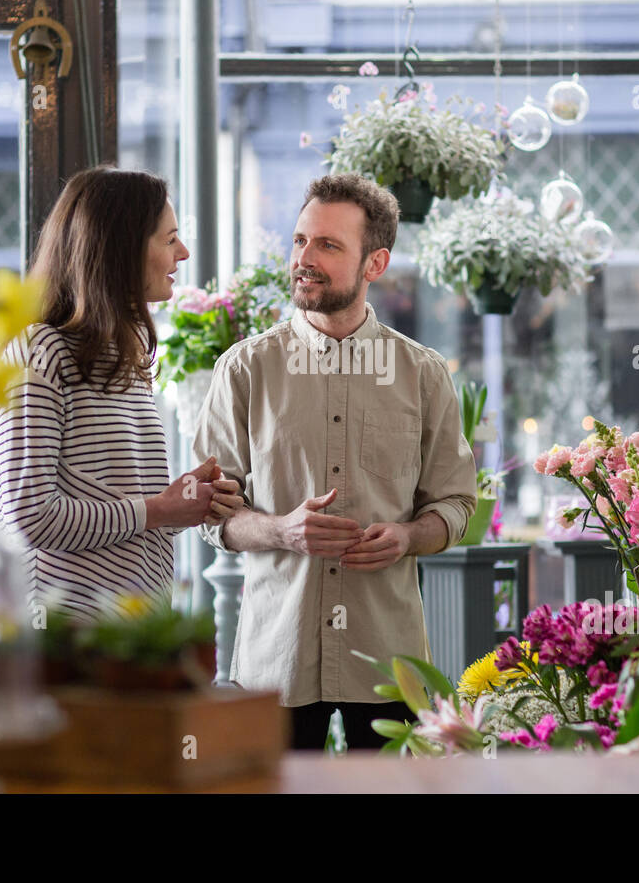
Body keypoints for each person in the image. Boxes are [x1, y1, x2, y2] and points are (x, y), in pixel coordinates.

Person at [193, 173, 477, 749]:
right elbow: (210, 514)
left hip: (386, 663)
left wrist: (407, 536)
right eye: (300, 241)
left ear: (375, 264)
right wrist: (280, 529)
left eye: (328, 245)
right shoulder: (245, 370)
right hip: (277, 660)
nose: (304, 258)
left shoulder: (422, 375)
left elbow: (456, 503)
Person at [0, 166, 242, 620]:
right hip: (64, 642)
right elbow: (27, 519)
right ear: (120, 250)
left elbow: (121, 510)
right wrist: (157, 510)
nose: (182, 253)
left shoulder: (125, 356)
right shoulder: (40, 350)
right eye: (169, 240)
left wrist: (181, 503)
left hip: (130, 636)